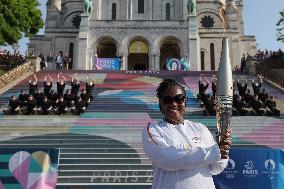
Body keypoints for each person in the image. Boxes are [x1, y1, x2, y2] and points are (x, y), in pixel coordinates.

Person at [142, 79, 232, 189]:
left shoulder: (200, 128)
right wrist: (215, 151)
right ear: (160, 103)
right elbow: (168, 160)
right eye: (167, 100)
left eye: (179, 99)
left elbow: (215, 168)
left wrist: (223, 151)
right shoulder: (153, 129)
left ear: (185, 101)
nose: (174, 104)